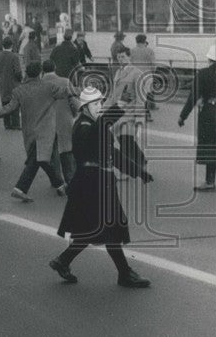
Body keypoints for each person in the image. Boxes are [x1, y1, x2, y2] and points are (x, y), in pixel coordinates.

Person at [49, 87, 152, 288]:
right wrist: (119, 106)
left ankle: (63, 261)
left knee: (94, 228)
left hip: (99, 183)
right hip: (91, 184)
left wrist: (138, 171)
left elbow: (112, 152)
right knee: (107, 227)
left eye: (100, 103)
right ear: (85, 107)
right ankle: (124, 274)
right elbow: (98, 134)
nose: (99, 107)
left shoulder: (94, 124)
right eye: (96, 104)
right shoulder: (83, 126)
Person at [0, 61, 69, 202]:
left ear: (26, 72)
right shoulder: (49, 87)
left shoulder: (19, 91)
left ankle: (59, 184)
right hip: (47, 131)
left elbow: (8, 109)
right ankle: (21, 188)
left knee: (41, 159)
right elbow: (66, 93)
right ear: (40, 73)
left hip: (30, 131)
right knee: (39, 160)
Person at [179, 44, 216, 191]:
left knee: (210, 146)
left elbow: (192, 97)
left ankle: (209, 181)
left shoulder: (203, 73)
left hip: (210, 113)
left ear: (209, 59)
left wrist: (183, 116)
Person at [41, 60, 79, 185]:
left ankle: (57, 181)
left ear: (43, 70)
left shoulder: (39, 84)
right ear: (55, 67)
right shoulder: (65, 81)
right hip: (64, 119)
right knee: (67, 150)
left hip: (46, 122)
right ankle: (70, 179)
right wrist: (74, 114)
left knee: (52, 151)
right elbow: (74, 102)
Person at [0, 38, 22, 130]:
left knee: (5, 103)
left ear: (2, 46)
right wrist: (20, 80)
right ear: (12, 46)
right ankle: (16, 124)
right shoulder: (14, 57)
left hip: (3, 83)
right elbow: (18, 72)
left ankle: (7, 123)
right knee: (15, 103)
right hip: (14, 83)